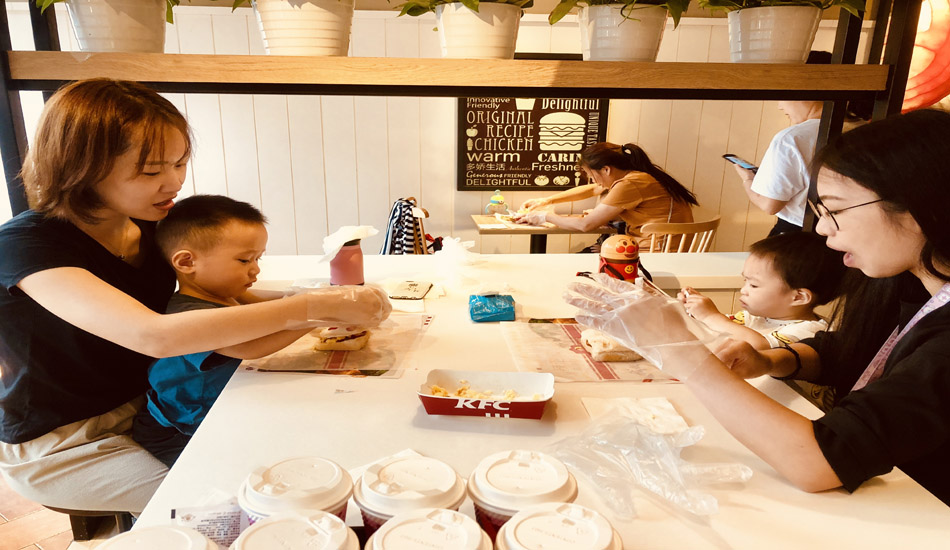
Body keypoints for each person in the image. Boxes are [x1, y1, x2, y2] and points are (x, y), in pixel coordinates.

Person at [0, 78, 391, 514]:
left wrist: (320, 299)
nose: (173, 183)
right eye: (151, 171)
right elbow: (154, 335)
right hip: (65, 442)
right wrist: (309, 307)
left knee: (302, 455)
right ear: (81, 167)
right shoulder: (28, 245)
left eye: (180, 163)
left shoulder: (147, 225)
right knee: (230, 509)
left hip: (152, 405)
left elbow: (210, 297)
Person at [567, 109, 950, 505]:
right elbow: (853, 351)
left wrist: (678, 349)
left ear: (918, 207)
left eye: (835, 210)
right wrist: (772, 360)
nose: (822, 228)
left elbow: (821, 463)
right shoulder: (911, 287)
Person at [131, 195, 312, 468]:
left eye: (258, 258)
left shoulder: (225, 292)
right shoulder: (188, 314)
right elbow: (250, 347)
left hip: (217, 405)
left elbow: (268, 306)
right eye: (244, 260)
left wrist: (312, 297)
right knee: (227, 471)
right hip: (176, 428)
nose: (256, 269)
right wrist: (314, 316)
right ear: (186, 262)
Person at [679, 231, 846, 410]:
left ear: (798, 297)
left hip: (797, 411)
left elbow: (760, 350)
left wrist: (710, 316)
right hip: (759, 398)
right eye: (745, 281)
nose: (743, 290)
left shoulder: (811, 331)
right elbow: (719, 330)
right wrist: (692, 310)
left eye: (753, 285)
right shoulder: (757, 317)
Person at [513, 142, 697, 248]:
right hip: (665, 247)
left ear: (606, 169)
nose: (594, 181)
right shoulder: (638, 176)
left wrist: (544, 216)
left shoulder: (630, 183)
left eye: (592, 175)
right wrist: (547, 200)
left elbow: (586, 225)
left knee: (580, 262)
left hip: (657, 252)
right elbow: (594, 189)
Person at [733, 51, 831, 236]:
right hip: (843, 237)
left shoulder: (792, 139)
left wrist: (747, 179)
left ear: (802, 89)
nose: (780, 105)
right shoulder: (860, 128)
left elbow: (770, 205)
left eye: (782, 93)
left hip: (797, 237)